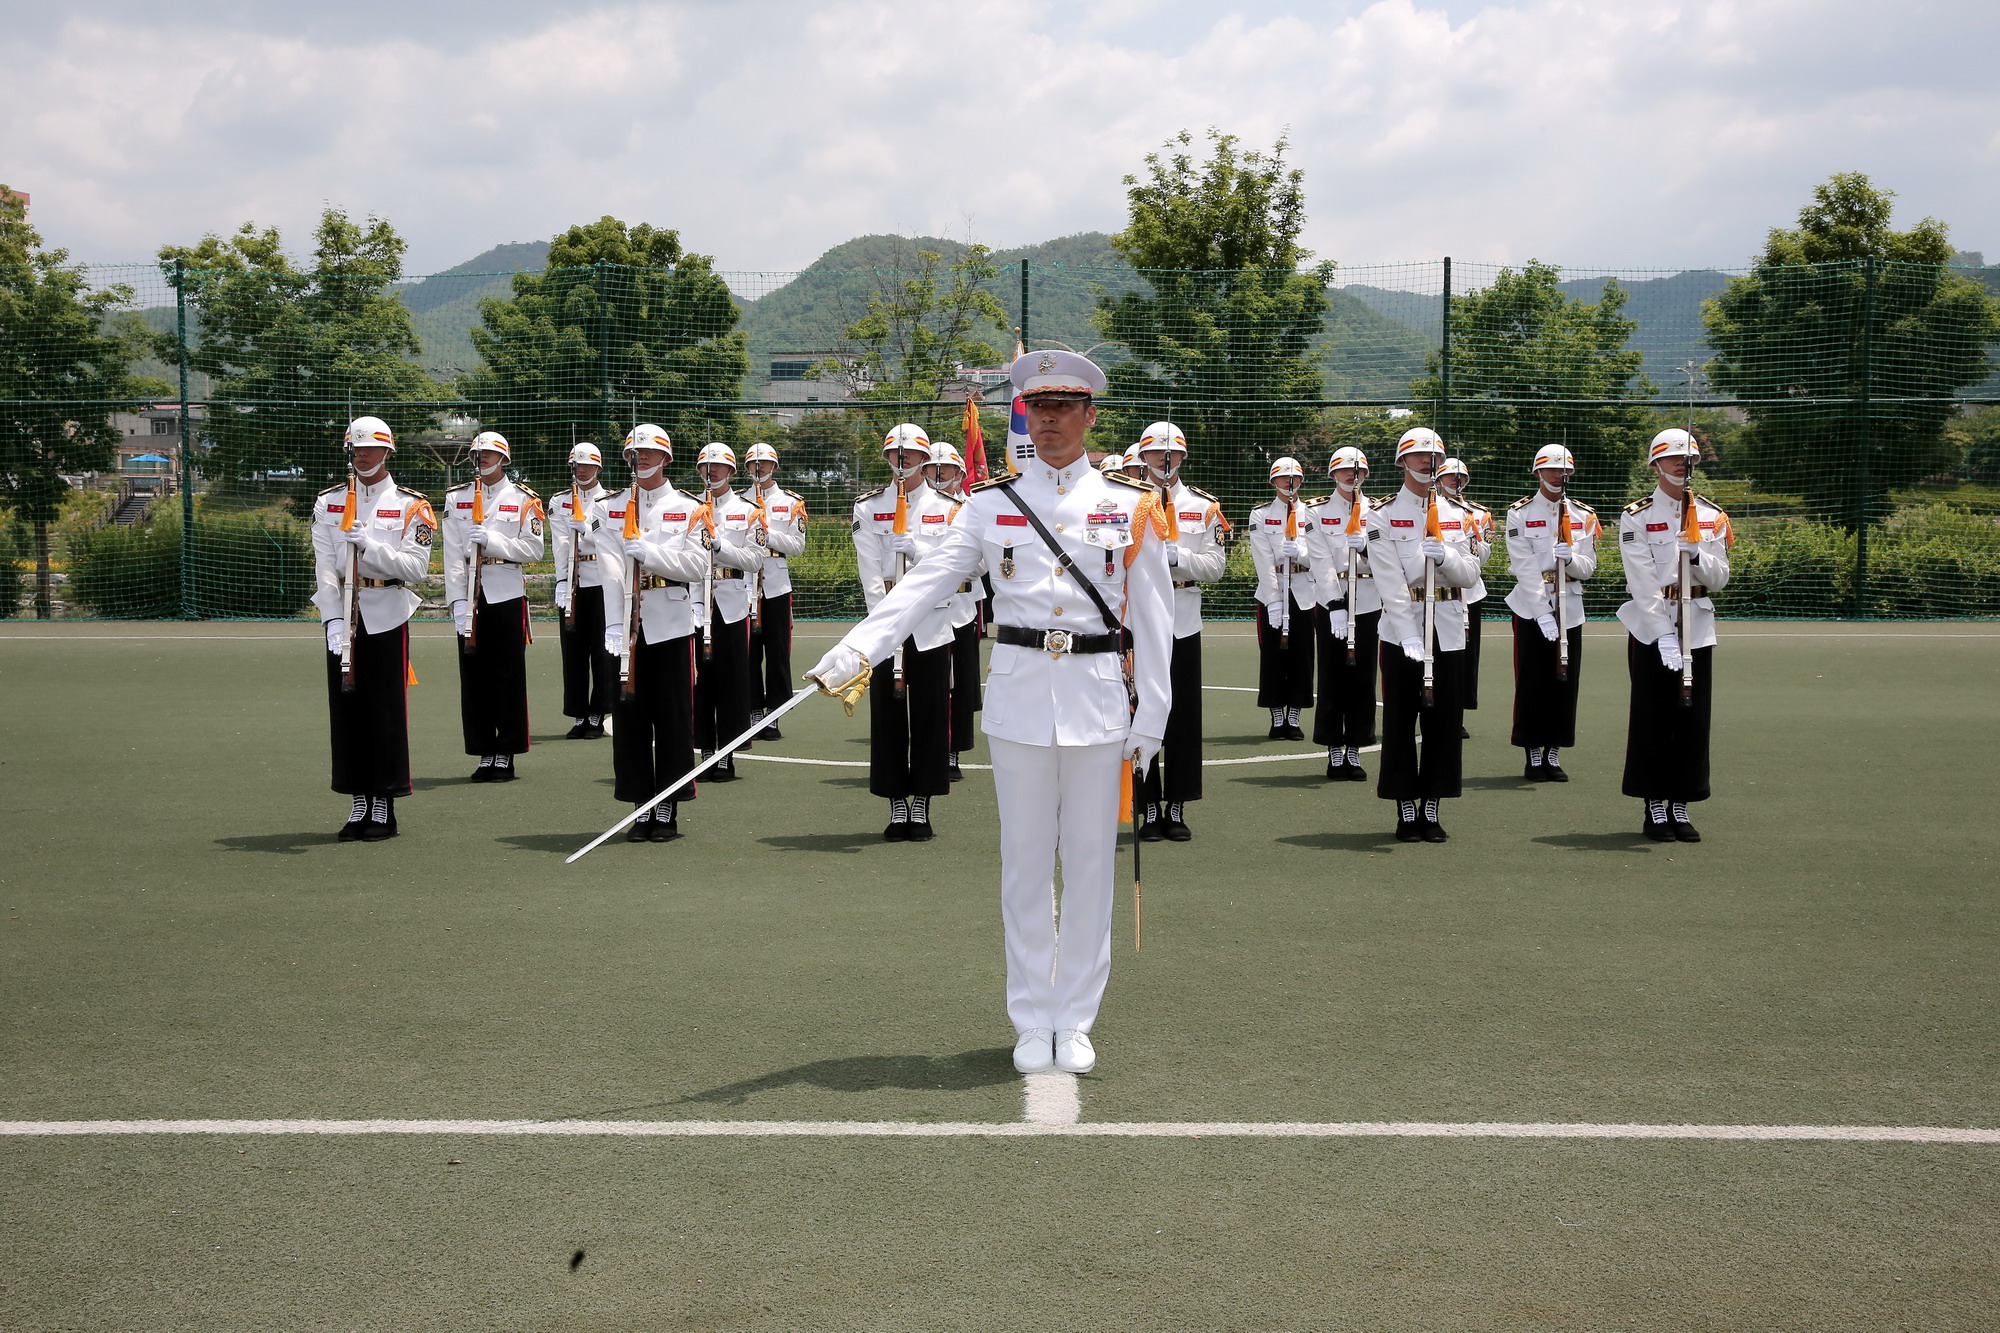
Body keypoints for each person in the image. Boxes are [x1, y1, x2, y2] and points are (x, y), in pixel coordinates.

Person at [807, 351, 1171, 1076]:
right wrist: (856, 651)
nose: (1053, 418)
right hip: (1019, 696)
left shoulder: (1130, 503)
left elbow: (1155, 620)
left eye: (1067, 405)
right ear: (1026, 415)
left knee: (1093, 866)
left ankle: (1077, 1019)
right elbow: (923, 588)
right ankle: (1033, 1020)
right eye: (1041, 407)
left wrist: (1151, 718)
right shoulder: (988, 504)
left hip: (1101, 698)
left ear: (1091, 414)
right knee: (1026, 868)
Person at [312, 416, 436, 840]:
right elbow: (325, 568)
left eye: (370, 447)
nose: (361, 454)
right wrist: (331, 619)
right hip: (343, 613)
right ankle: (357, 797)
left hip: (387, 612)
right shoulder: (328, 502)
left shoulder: (411, 505)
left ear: (387, 452)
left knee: (384, 710)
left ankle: (384, 801)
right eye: (355, 447)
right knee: (345, 710)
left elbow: (415, 569)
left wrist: (371, 546)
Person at [1619, 428, 1732, 842]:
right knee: (1653, 716)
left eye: (1688, 459)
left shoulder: (1709, 514)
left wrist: (1698, 553)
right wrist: (1663, 634)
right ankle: (1654, 806)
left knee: (1691, 719)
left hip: (1698, 626)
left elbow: (1720, 578)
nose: (1682, 465)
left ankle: (1680, 805)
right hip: (1654, 627)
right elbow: (1641, 580)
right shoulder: (1637, 514)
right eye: (1673, 459)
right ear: (1656, 465)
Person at [850, 425, 960, 840]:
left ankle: (922, 803)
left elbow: (961, 565)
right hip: (886, 622)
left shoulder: (948, 507)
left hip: (931, 620)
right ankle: (897, 802)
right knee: (889, 715)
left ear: (924, 461)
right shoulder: (868, 507)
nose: (902, 462)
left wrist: (920, 550)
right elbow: (868, 572)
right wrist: (885, 623)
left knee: (931, 714)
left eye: (910, 455)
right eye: (895, 455)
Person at [601, 426, 709, 842]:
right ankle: (639, 803)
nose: (641, 458)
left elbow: (698, 567)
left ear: (666, 458)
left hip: (670, 620)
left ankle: (667, 805)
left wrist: (653, 555)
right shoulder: (611, 506)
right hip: (624, 622)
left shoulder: (690, 508)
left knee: (672, 717)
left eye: (649, 452)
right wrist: (613, 622)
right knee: (629, 719)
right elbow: (610, 571)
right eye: (635, 452)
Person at [1370, 427, 1478, 842]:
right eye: (1417, 455)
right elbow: (1388, 580)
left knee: (1444, 722)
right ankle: (1404, 807)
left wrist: (1448, 554)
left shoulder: (1457, 514)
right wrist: (1407, 632)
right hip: (1403, 631)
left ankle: (1431, 806)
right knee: (1400, 720)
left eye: (1434, 456)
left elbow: (1470, 574)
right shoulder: (1381, 514)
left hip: (1448, 627)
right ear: (1402, 462)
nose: (1427, 462)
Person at [1132, 421, 1228, 842]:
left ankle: (1177, 805)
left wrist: (1181, 557)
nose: (1163, 460)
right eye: (1155, 453)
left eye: (1171, 453)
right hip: (1137, 619)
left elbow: (1217, 567)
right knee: (1140, 713)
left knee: (1184, 717)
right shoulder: (1127, 501)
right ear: (1144, 457)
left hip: (1183, 618)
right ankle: (1148, 805)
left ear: (1183, 457)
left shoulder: (1203, 506)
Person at [442, 431, 544, 783]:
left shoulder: (523, 499)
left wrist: (495, 541)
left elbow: (534, 551)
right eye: (477, 453)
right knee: (474, 677)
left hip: (505, 591)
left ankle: (507, 751)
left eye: (489, 453)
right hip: (469, 593)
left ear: (504, 458)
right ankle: (485, 750)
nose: (482, 458)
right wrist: (456, 600)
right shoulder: (456, 499)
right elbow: (452, 554)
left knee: (507, 674)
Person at [1504, 444, 1600, 781]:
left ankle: (1554, 752)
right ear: (1538, 473)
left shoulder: (1583, 514)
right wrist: (1541, 611)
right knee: (1532, 680)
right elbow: (1522, 565)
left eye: (1565, 471)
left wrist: (1572, 558)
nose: (1559, 476)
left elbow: (1589, 566)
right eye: (1552, 470)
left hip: (1570, 605)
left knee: (1564, 681)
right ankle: (1532, 752)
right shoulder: (1520, 513)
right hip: (1533, 606)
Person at [1302, 446, 1379, 782]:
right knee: (1333, 677)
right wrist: (1334, 603)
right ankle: (1335, 751)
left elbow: (1392, 562)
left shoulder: (1377, 511)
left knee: (1364, 679)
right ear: (1333, 475)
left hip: (1370, 601)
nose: (1353, 476)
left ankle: (1355, 749)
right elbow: (1319, 560)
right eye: (1346, 471)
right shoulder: (1316, 511)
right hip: (1332, 603)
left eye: (1359, 471)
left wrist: (1367, 549)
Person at [688, 443, 762, 780]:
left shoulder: (748, 510)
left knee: (732, 681)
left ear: (731, 472)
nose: (711, 472)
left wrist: (722, 546)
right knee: (699, 681)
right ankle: (704, 749)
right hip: (692, 601)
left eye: (718, 466)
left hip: (731, 602)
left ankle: (726, 753)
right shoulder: (689, 508)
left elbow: (756, 559)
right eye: (705, 466)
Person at [742, 442, 808, 741]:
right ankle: (753, 708)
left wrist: (768, 535)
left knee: (778, 652)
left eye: (764, 464)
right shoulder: (736, 502)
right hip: (743, 584)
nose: (759, 468)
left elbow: (797, 546)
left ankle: (775, 713)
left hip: (776, 584)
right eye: (753, 464)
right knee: (748, 652)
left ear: (774, 467)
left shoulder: (791, 502)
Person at [1248, 457, 1316, 740]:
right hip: (1272, 590)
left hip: (1305, 591)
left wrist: (1300, 552)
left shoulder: (1314, 514)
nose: (1289, 483)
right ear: (1273, 482)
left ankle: (1295, 715)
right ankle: (1277, 716)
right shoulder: (1261, 515)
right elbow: (1262, 560)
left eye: (1295, 478)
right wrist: (1274, 599)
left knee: (1302, 655)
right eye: (1283, 478)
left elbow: (1323, 556)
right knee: (1273, 655)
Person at [552, 443, 614, 740]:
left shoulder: (611, 501)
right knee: (573, 651)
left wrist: (586, 529)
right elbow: (560, 545)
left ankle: (597, 712)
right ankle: (579, 713)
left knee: (602, 651)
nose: (581, 469)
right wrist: (562, 582)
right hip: (574, 582)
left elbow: (609, 541)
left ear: (598, 469)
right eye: (577, 465)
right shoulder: (560, 501)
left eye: (588, 465)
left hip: (602, 579)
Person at [930, 441, 982, 781]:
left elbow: (980, 563)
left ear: (959, 473)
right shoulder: (920, 506)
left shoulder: (972, 508)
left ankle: (953, 751)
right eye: (931, 469)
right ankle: (931, 746)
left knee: (961, 683)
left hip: (962, 604)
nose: (937, 475)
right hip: (929, 607)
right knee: (932, 682)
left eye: (944, 469)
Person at [1435, 457, 1492, 737]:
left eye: (1461, 477)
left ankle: (1458, 711)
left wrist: (1476, 544)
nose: (1456, 481)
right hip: (1438, 591)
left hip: (1470, 592)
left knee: (1466, 656)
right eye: (1450, 476)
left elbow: (1483, 556)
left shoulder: (1478, 514)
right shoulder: (1431, 509)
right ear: (1438, 480)